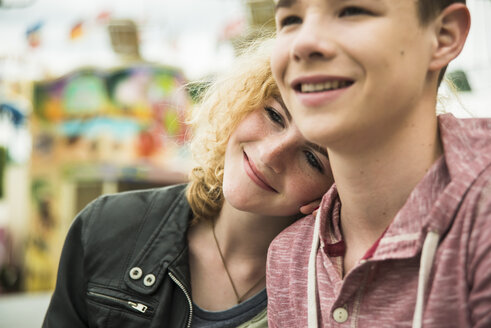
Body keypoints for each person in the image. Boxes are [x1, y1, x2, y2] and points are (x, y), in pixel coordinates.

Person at [42, 39, 334, 327]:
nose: (271, 155)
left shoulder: (332, 293)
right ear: (241, 105)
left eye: (312, 158)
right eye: (274, 115)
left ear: (334, 189)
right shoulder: (105, 226)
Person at [266, 0, 491, 327]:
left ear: (443, 35)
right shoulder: (288, 257)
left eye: (350, 11)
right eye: (290, 19)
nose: (303, 44)